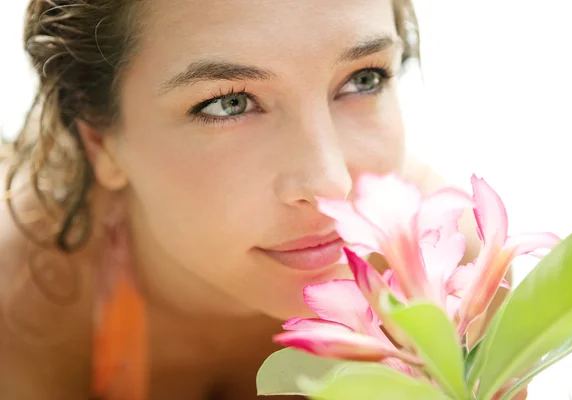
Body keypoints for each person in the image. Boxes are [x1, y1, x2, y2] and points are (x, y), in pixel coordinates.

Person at [0, 0, 521, 399]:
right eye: (228, 103)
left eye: (365, 78)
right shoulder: (18, 302)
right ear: (98, 139)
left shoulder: (454, 275)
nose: (330, 182)